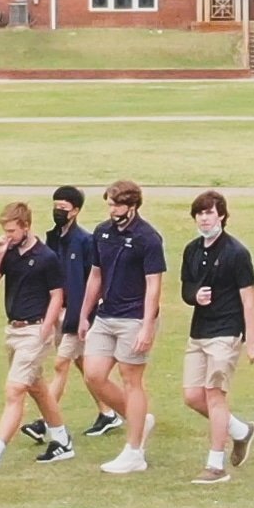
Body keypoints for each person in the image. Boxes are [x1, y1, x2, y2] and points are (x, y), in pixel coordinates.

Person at [0, 203, 71, 472]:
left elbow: (57, 295)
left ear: (26, 226)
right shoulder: (10, 252)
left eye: (12, 231)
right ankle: (62, 440)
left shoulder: (46, 257)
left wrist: (46, 328)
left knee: (15, 390)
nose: (8, 235)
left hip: (35, 331)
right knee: (37, 387)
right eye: (6, 231)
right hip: (13, 331)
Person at [21, 186, 122, 450]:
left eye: (63, 209)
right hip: (57, 311)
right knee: (82, 363)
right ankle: (108, 413)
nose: (58, 212)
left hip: (77, 314)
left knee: (61, 364)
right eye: (55, 207)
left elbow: (95, 279)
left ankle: (44, 422)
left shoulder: (85, 242)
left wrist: (85, 315)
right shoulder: (53, 239)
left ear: (75, 211)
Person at [79, 180, 166, 474]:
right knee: (93, 375)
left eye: (117, 205)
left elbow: (153, 285)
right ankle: (139, 419)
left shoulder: (148, 238)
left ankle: (134, 452)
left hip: (134, 317)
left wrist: (147, 325)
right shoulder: (102, 233)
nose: (112, 210)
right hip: (106, 315)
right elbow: (95, 276)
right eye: (110, 204)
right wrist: (84, 314)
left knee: (132, 380)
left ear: (133, 206)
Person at [180, 191, 254, 485]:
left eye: (209, 213)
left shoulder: (236, 253)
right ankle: (240, 430)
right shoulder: (192, 250)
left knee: (215, 395)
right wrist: (195, 296)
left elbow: (249, 299)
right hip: (199, 332)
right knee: (193, 396)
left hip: (226, 332)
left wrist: (252, 340)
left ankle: (215, 465)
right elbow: (186, 289)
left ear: (222, 216)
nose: (204, 219)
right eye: (200, 214)